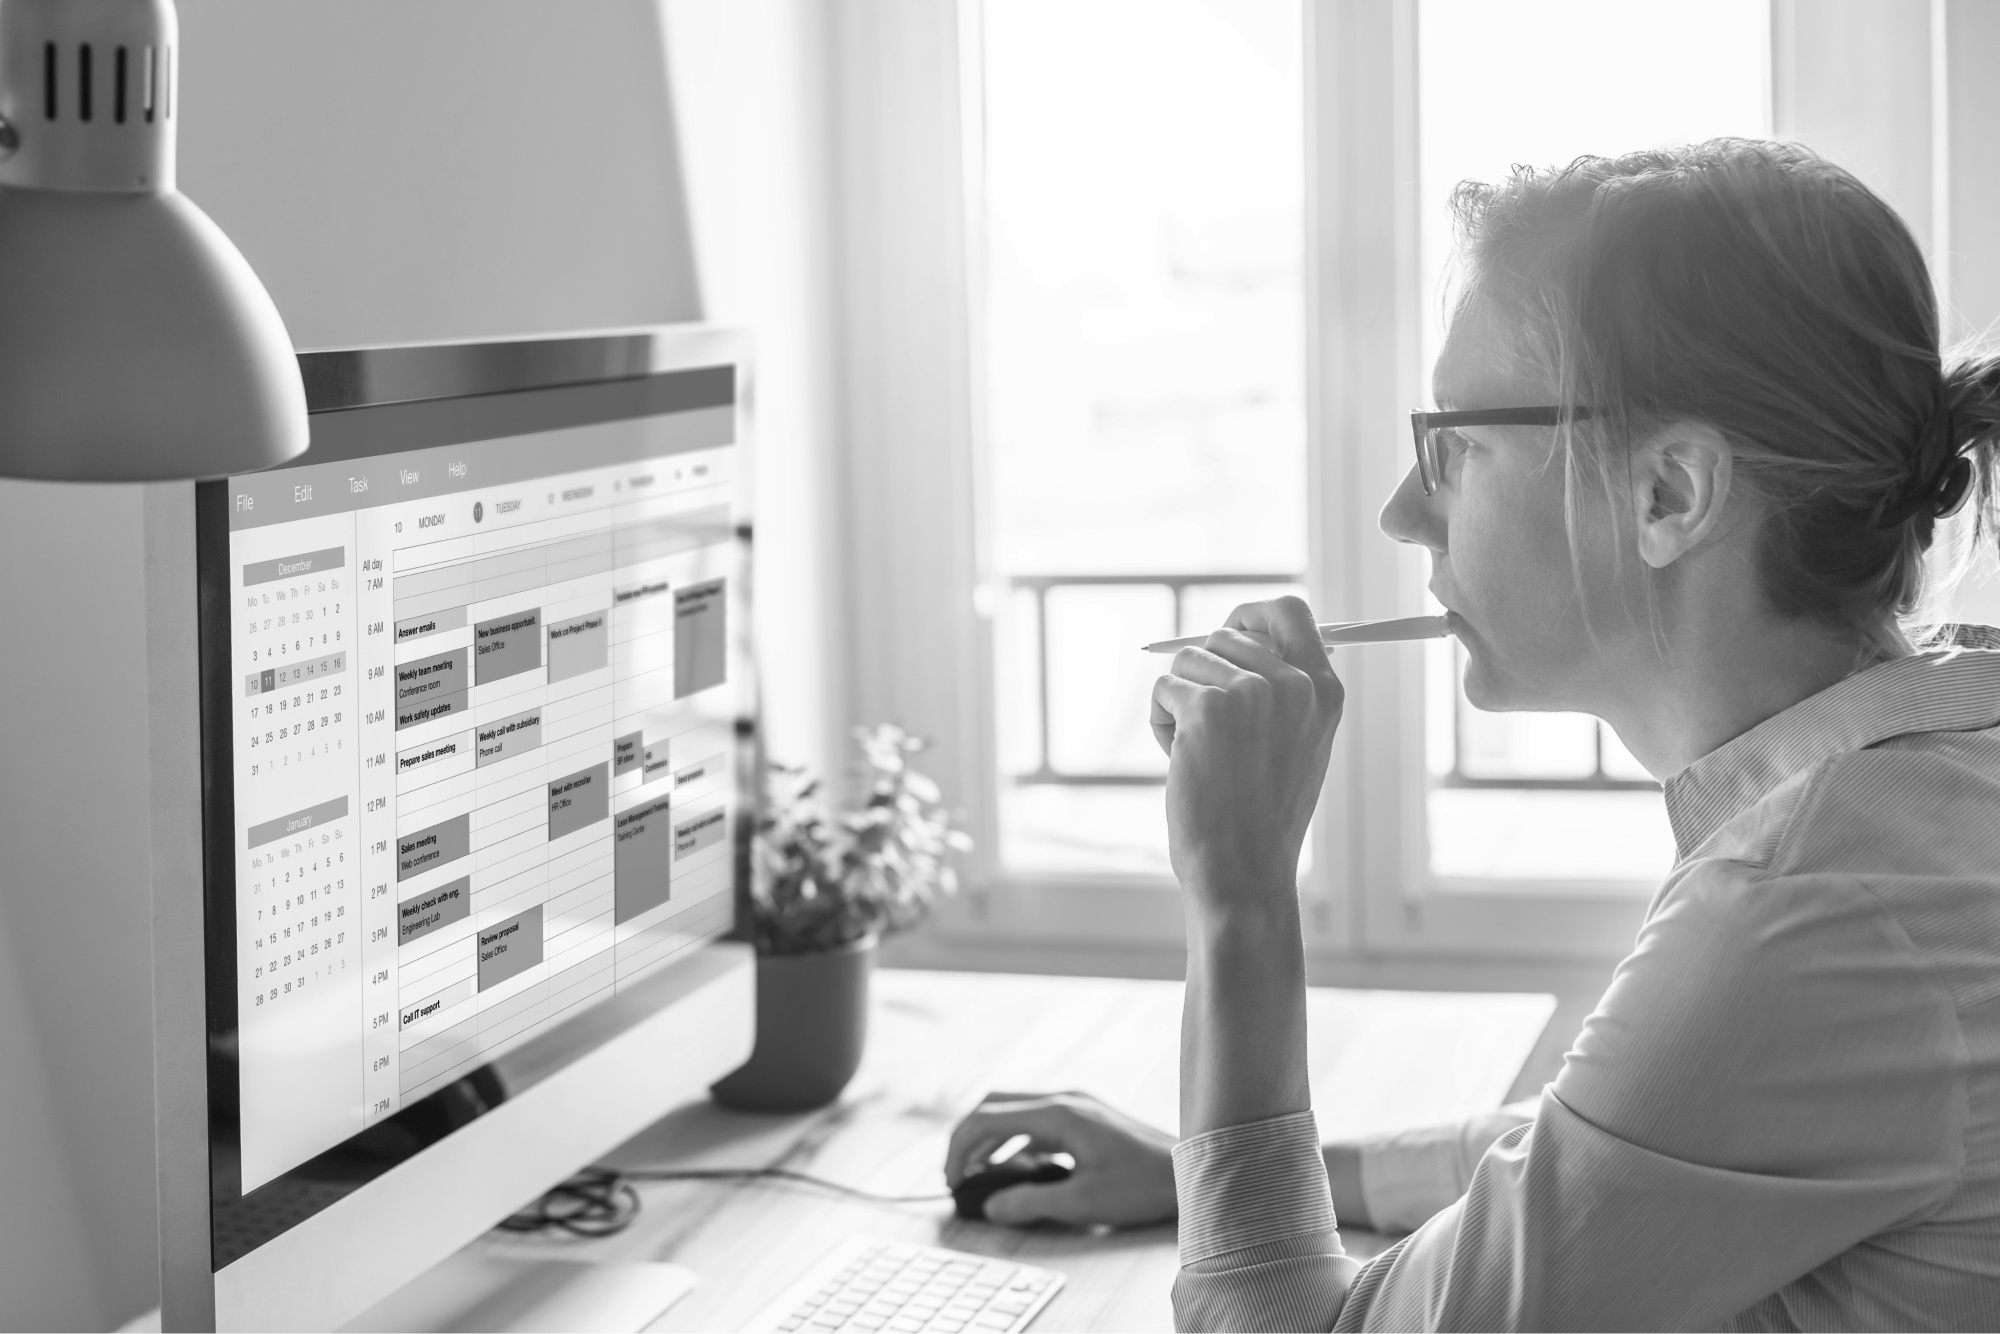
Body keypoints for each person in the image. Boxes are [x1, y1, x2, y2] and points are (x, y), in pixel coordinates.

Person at [943, 139, 2000, 1330]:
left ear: (1670, 493)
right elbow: (1617, 1146)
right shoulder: (1929, 771)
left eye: (1453, 448)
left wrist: (1238, 892)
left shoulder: (1810, 906)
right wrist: (1218, 1168)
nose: (1403, 513)